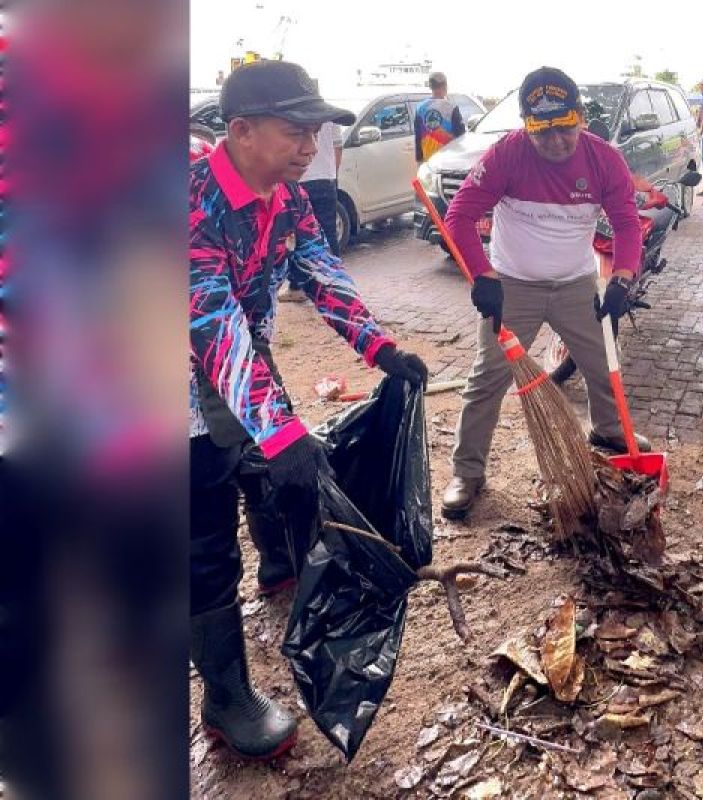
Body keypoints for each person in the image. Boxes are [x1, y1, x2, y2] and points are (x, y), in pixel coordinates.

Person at [189, 60, 429, 759]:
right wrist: (279, 427)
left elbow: (320, 270)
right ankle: (226, 697)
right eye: (296, 131)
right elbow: (211, 322)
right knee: (203, 539)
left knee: (277, 473)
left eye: (314, 132)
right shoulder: (187, 202)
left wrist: (379, 348)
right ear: (239, 131)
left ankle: (278, 568)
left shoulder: (286, 197)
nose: (309, 147)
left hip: (244, 364)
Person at [439, 66, 650, 517]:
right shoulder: (505, 156)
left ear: (581, 119)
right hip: (514, 285)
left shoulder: (604, 160)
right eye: (543, 132)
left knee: (602, 363)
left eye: (565, 129)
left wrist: (623, 277)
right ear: (526, 126)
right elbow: (458, 216)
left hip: (576, 283)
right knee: (488, 378)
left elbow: (628, 223)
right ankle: (468, 472)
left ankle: (609, 430)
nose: (556, 141)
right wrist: (483, 277)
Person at [279, 119, 344, 302]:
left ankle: (298, 286)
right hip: (325, 179)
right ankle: (335, 285)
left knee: (296, 236)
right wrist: (332, 175)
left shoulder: (293, 111)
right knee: (328, 233)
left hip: (301, 178)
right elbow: (338, 149)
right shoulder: (331, 117)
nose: (311, 146)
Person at [414, 71, 466, 164]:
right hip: (448, 159)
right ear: (445, 86)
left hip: (428, 160)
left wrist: (419, 159)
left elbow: (418, 137)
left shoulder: (420, 108)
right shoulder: (451, 107)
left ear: (430, 87)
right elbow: (461, 135)